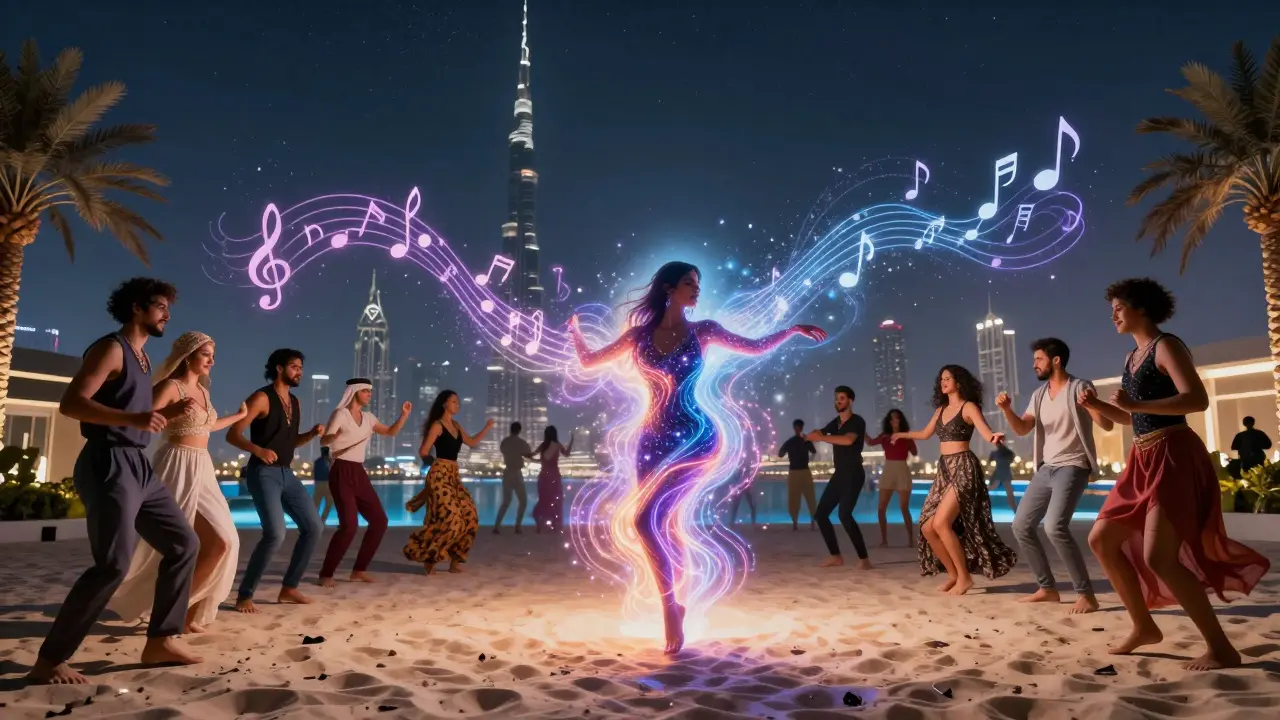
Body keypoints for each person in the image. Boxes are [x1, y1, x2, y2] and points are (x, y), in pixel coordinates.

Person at [569, 261, 826, 654]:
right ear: (669, 288)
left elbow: (754, 347)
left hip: (695, 437)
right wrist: (574, 334)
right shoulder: (639, 336)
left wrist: (790, 331)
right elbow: (588, 362)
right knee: (666, 524)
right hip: (651, 442)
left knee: (642, 519)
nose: (697, 289)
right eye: (690, 283)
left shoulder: (702, 331)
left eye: (698, 284)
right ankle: (678, 600)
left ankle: (671, 607)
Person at [1080, 278, 1270, 670]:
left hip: (1174, 454)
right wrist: (1096, 405)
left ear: (1141, 308)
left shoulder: (1167, 346)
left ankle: (1220, 647)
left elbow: (1196, 399)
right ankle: (1144, 626)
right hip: (1142, 457)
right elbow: (1131, 418)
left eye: (1118, 307)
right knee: (1101, 538)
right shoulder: (1131, 358)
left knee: (1159, 557)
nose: (1112, 314)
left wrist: (1136, 402)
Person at [27, 279, 200, 684]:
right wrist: (132, 420)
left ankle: (160, 640)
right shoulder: (111, 348)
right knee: (112, 565)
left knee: (183, 544)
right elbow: (71, 404)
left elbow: (134, 409)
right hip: (107, 462)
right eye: (160, 307)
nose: (167, 315)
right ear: (137, 308)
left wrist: (164, 414)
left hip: (138, 465)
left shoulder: (141, 356)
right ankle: (50, 659)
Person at [109, 331, 247, 634]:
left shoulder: (203, 391)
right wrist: (168, 412)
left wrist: (239, 416)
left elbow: (208, 426)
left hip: (203, 468)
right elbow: (143, 417)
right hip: (176, 464)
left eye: (213, 354)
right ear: (188, 356)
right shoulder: (170, 386)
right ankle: (176, 613)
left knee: (229, 541)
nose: (212, 360)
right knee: (210, 543)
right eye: (206, 354)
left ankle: (186, 612)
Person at [998, 337, 1112, 615]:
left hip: (1073, 465)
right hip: (1046, 468)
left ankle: (1086, 594)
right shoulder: (1038, 395)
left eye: (1039, 359)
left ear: (1056, 360)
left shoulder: (1079, 387)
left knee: (1054, 527)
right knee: (1021, 526)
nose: (1034, 364)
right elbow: (1024, 429)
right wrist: (1006, 410)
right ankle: (1047, 589)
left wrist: (1093, 404)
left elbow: (1106, 424)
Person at [893, 365, 1016, 595]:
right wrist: (902, 435)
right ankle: (953, 574)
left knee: (941, 523)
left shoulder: (968, 407)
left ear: (958, 382)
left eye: (948, 378)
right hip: (944, 471)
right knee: (928, 527)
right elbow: (925, 434)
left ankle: (965, 578)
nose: (943, 382)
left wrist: (994, 437)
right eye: (941, 379)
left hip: (964, 468)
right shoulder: (940, 410)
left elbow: (986, 431)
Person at [226, 349, 326, 613]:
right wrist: (258, 450)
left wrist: (311, 435)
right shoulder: (261, 398)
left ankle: (289, 588)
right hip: (263, 473)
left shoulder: (296, 402)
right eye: (294, 367)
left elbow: (290, 441)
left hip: (287, 473)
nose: (299, 372)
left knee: (314, 527)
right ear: (279, 368)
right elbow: (232, 434)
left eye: (301, 368)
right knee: (275, 533)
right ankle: (245, 594)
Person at [316, 378, 410, 587]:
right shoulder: (340, 414)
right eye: (366, 391)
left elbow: (390, 432)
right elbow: (324, 441)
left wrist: (403, 416)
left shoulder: (369, 418)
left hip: (359, 471)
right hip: (340, 470)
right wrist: (333, 435)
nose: (370, 394)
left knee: (380, 521)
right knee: (349, 526)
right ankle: (326, 574)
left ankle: (358, 571)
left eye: (370, 391)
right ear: (355, 391)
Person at [404, 391, 494, 574]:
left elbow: (472, 441)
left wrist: (487, 427)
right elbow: (423, 451)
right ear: (444, 404)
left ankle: (456, 561)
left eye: (458, 402)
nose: (457, 405)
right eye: (454, 402)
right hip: (439, 476)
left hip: (453, 476)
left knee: (470, 517)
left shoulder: (456, 425)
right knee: (451, 519)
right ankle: (430, 557)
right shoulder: (437, 426)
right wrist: (435, 464)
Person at [808, 386, 872, 569]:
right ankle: (836, 556)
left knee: (844, 514)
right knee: (821, 515)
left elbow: (848, 440)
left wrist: (822, 438)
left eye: (842, 398)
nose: (838, 401)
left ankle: (864, 559)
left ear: (850, 400)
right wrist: (815, 434)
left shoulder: (856, 421)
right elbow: (819, 432)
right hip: (839, 474)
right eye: (836, 398)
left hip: (854, 473)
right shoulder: (836, 423)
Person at [866, 409, 917, 548]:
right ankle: (884, 540)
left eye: (897, 418)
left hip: (902, 470)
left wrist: (908, 438)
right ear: (889, 421)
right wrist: (861, 430)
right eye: (892, 418)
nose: (894, 421)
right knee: (881, 508)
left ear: (901, 420)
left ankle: (911, 540)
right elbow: (870, 442)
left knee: (904, 507)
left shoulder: (906, 436)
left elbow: (915, 452)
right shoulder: (884, 436)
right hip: (889, 470)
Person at [531, 425, 574, 533]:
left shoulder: (543, 446)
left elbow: (533, 456)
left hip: (544, 477)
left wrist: (522, 454)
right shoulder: (557, 445)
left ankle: (539, 523)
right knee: (556, 500)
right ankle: (556, 523)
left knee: (543, 500)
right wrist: (571, 441)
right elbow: (567, 454)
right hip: (554, 477)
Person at [777, 420, 818, 530]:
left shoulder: (792, 441)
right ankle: (808, 522)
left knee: (796, 498)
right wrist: (808, 459)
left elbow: (780, 454)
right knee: (808, 497)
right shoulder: (804, 441)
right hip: (801, 471)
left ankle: (798, 523)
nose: (798, 429)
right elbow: (814, 452)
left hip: (797, 471)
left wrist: (791, 454)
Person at [495, 422, 535, 534]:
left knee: (506, 502)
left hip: (507, 473)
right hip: (517, 474)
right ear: (519, 430)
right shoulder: (521, 443)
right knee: (523, 501)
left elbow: (503, 451)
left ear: (510, 429)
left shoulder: (505, 442)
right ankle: (517, 526)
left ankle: (496, 526)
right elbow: (529, 454)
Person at [987, 443, 1017, 512]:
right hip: (1003, 473)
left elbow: (990, 460)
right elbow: (1012, 459)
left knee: (1008, 492)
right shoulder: (1006, 453)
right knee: (1009, 492)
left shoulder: (996, 453)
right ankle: (1015, 509)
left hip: (1001, 473)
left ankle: (1015, 509)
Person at [313, 447, 333, 525]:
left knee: (316, 504)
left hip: (318, 484)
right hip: (327, 484)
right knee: (328, 504)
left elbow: (315, 473)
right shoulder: (329, 461)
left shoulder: (317, 461)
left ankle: (315, 521)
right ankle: (322, 521)